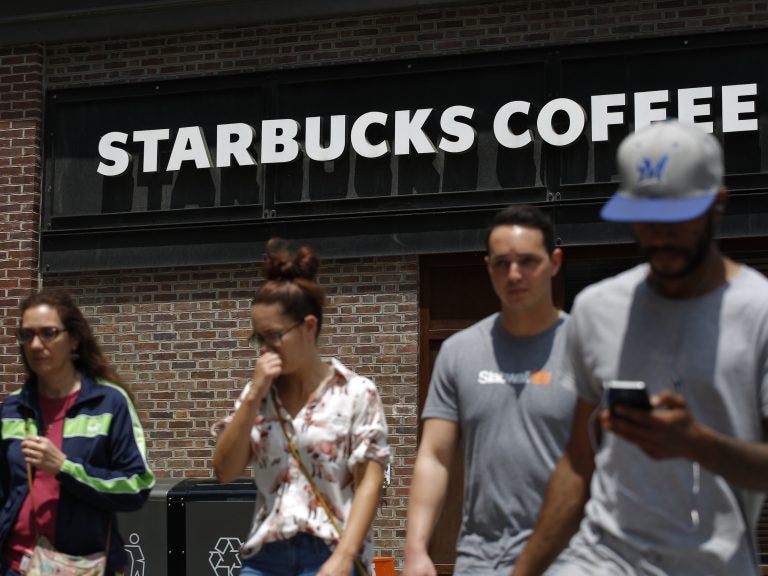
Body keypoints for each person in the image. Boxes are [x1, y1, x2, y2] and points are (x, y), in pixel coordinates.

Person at [513, 120, 768, 576]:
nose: (659, 234)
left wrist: (699, 445)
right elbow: (578, 459)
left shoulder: (759, 312)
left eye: (676, 217)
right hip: (602, 559)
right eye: (645, 219)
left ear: (718, 204)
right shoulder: (597, 308)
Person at [402, 205, 576, 576]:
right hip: (482, 559)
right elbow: (434, 455)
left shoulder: (589, 348)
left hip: (572, 558)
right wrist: (416, 549)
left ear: (555, 262)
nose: (514, 274)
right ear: (488, 267)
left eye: (528, 261)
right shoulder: (459, 352)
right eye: (502, 263)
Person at [213, 239, 390, 576]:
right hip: (265, 556)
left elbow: (370, 483)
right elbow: (225, 471)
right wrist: (253, 397)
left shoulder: (355, 392)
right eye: (258, 338)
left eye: (273, 336)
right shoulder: (258, 394)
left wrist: (343, 557)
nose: (265, 347)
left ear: (309, 327)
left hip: (327, 552)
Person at [0, 289, 155, 576]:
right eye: (27, 335)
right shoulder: (12, 409)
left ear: (74, 339)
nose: (35, 345)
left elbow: (137, 486)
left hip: (83, 567)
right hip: (14, 566)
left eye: (48, 333)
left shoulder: (109, 403)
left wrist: (65, 468)